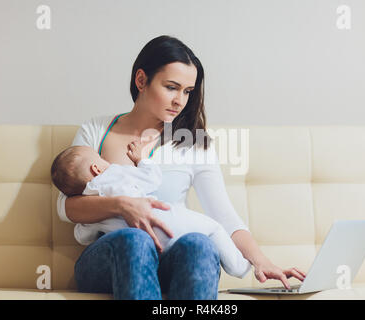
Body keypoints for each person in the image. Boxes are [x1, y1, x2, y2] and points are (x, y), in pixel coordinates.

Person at [56, 35, 306, 300]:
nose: (180, 100)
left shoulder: (193, 143)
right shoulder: (97, 129)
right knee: (135, 240)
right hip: (111, 260)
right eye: (171, 87)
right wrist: (122, 206)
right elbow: (67, 206)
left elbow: (224, 218)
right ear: (141, 80)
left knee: (200, 243)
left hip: (171, 259)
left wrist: (261, 261)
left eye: (187, 91)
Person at [51, 144, 251, 278]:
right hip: (169, 225)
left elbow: (82, 236)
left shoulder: (91, 208)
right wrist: (141, 160)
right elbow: (152, 178)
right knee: (211, 230)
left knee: (194, 242)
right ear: (96, 168)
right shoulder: (115, 173)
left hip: (143, 250)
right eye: (101, 157)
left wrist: (82, 228)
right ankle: (241, 267)